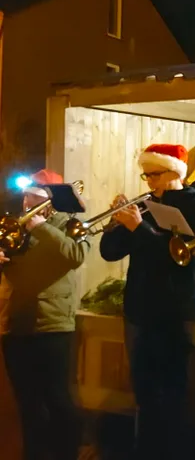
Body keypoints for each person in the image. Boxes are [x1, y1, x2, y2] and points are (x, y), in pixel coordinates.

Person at [99, 143, 195, 459]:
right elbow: (110, 252)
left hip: (175, 313)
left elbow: (182, 258)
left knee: (173, 395)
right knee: (144, 393)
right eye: (146, 175)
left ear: (174, 172)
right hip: (140, 311)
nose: (149, 181)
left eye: (154, 175)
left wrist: (140, 228)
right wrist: (115, 223)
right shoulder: (146, 205)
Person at [0, 169, 88, 460]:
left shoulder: (70, 223)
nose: (27, 203)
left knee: (57, 398)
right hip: (16, 321)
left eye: (35, 198)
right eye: (26, 197)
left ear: (50, 201)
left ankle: (67, 453)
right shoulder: (14, 225)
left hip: (53, 324)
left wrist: (41, 228)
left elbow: (76, 255)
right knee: (27, 402)